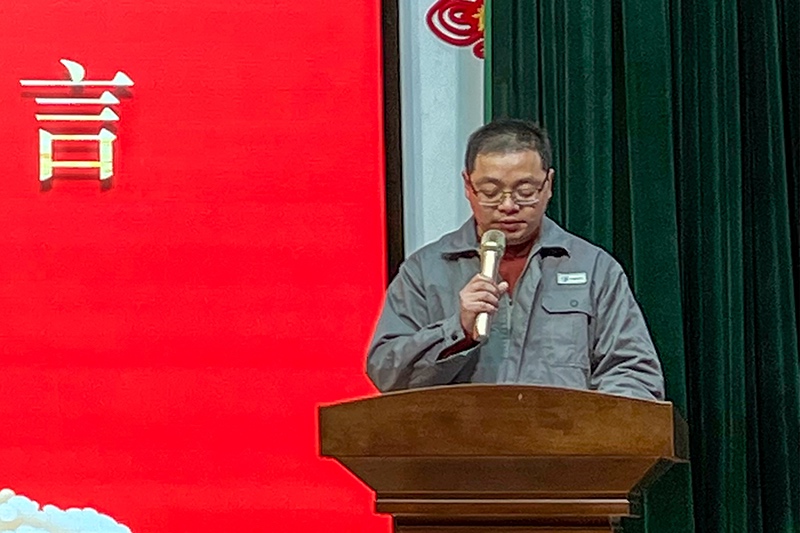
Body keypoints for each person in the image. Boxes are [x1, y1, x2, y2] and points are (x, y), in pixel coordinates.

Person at [366, 119, 664, 400]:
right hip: (460, 437)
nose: (508, 205)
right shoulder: (425, 270)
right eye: (491, 192)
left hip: (562, 436)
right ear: (468, 186)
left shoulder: (594, 268)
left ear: (548, 184)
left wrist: (586, 427)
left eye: (525, 191)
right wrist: (457, 330)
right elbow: (386, 373)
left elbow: (634, 373)